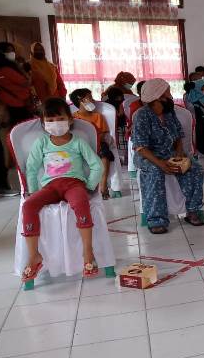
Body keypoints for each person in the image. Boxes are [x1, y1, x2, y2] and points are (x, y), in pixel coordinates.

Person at [21, 97, 103, 282]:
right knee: (28, 206)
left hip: (74, 184)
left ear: (70, 119)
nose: (55, 124)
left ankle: (88, 252)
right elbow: (32, 168)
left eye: (59, 119)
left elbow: (97, 165)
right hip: (50, 186)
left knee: (81, 202)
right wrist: (33, 191)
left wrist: (90, 186)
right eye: (49, 121)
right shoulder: (42, 143)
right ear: (43, 123)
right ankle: (34, 256)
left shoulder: (78, 142)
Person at [132, 78, 204, 233]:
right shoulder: (141, 115)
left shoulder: (169, 113)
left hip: (169, 153)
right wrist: (160, 164)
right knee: (155, 172)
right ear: (156, 97)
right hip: (148, 156)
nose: (171, 98)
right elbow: (141, 147)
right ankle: (156, 219)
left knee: (195, 168)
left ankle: (192, 211)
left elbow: (178, 136)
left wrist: (179, 154)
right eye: (167, 95)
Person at [70, 88, 115, 199]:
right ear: (81, 100)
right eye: (90, 98)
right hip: (79, 145)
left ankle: (103, 186)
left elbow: (104, 134)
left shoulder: (98, 117)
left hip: (97, 143)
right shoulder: (73, 118)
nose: (93, 101)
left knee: (105, 155)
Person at [0, 41, 34, 124]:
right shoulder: (6, 69)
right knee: (23, 126)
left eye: (13, 51)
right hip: (17, 103)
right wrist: (25, 72)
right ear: (1, 52)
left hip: (8, 102)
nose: (12, 53)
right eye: (9, 51)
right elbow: (26, 82)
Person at [185, 77, 204, 156]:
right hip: (199, 122)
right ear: (196, 88)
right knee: (202, 135)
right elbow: (190, 111)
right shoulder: (190, 96)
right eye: (202, 88)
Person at [102, 85, 128, 165]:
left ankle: (121, 158)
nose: (121, 98)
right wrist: (121, 106)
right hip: (119, 126)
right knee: (121, 143)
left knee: (118, 144)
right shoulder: (116, 104)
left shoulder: (106, 103)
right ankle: (122, 158)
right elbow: (120, 115)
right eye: (120, 96)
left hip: (111, 126)